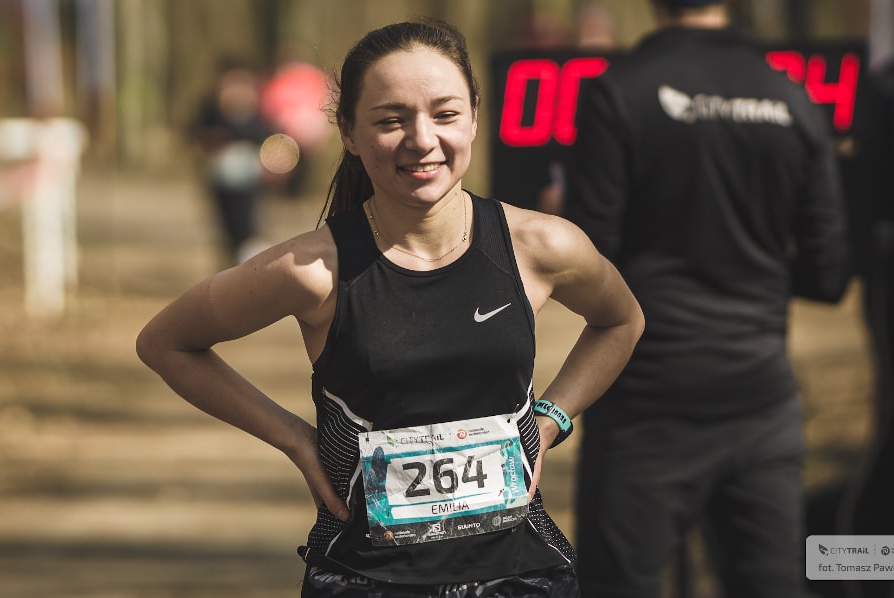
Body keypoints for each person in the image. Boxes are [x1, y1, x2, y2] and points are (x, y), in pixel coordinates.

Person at [138, 18, 644, 598]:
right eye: (391, 120)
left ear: (476, 116)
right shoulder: (313, 269)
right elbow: (165, 343)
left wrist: (552, 420)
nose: (422, 139)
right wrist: (296, 441)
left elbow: (622, 320)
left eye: (445, 114)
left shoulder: (541, 246)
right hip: (364, 578)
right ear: (349, 132)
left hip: (522, 575)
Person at [562, 1, 852, 597]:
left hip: (646, 411)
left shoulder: (617, 92)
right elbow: (829, 276)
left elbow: (591, 266)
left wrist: (562, 219)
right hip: (762, 410)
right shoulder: (794, 100)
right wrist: (756, 262)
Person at [192, 58, 275, 265]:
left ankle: (248, 268)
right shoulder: (211, 112)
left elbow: (273, 141)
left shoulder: (260, 116)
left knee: (249, 229)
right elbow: (197, 138)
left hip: (252, 181)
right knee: (227, 231)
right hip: (221, 181)